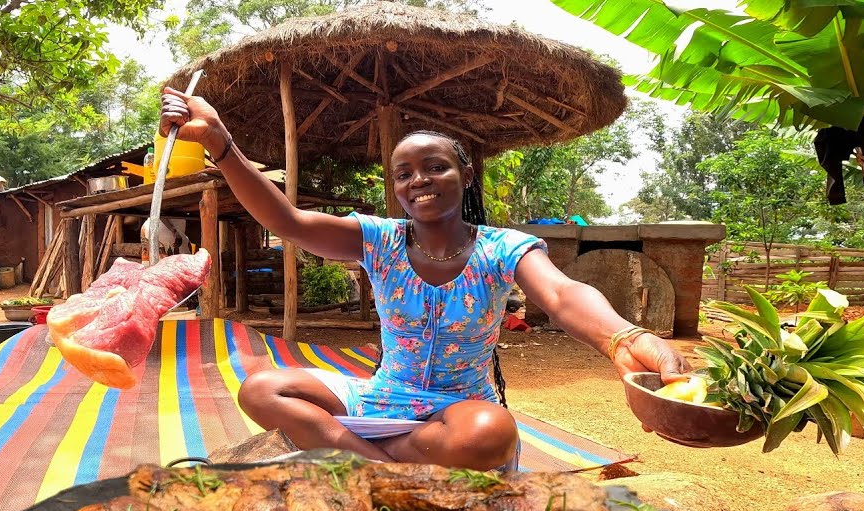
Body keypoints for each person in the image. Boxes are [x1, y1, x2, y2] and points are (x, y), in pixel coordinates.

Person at [160, 88, 691, 471]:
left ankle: (355, 463)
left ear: (465, 176)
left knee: (491, 432)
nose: (419, 181)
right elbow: (288, 222)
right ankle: (391, 474)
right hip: (382, 399)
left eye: (435, 167)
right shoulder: (379, 240)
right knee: (262, 387)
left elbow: (561, 292)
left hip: (458, 411)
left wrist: (626, 337)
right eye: (404, 174)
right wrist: (222, 144)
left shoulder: (501, 247)